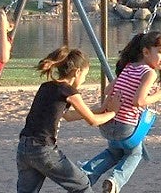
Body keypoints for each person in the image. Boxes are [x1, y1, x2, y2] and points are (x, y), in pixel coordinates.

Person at [16, 48, 118, 193]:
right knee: (82, 184)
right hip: (43, 150)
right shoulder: (69, 91)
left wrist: (100, 109)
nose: (84, 79)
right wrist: (114, 112)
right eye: (85, 75)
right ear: (77, 72)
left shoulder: (46, 87)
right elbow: (93, 121)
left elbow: (68, 116)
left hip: (24, 148)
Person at [81, 32, 161, 193]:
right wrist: (158, 95)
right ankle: (115, 180)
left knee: (114, 152)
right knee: (135, 153)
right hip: (126, 127)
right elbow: (139, 101)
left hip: (108, 124)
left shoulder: (129, 67)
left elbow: (109, 89)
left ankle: (86, 174)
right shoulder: (149, 73)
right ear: (145, 52)